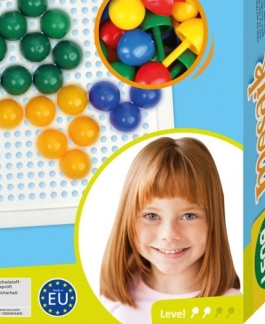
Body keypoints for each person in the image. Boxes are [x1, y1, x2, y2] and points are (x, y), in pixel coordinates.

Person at [100, 137, 240, 324]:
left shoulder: (236, 310)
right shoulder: (110, 304)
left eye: (188, 216)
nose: (169, 234)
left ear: (213, 220)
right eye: (151, 216)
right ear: (127, 220)